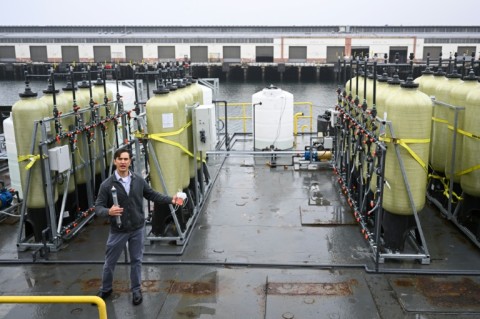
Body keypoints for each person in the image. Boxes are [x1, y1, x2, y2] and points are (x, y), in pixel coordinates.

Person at [95, 147, 181, 305]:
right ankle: (106, 289)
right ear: (115, 161)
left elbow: (152, 194)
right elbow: (98, 208)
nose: (123, 162)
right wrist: (109, 211)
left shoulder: (138, 180)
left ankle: (136, 290)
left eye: (126, 159)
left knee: (136, 261)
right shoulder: (107, 185)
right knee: (110, 262)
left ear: (130, 161)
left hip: (137, 229)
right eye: (120, 159)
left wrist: (171, 200)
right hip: (118, 231)